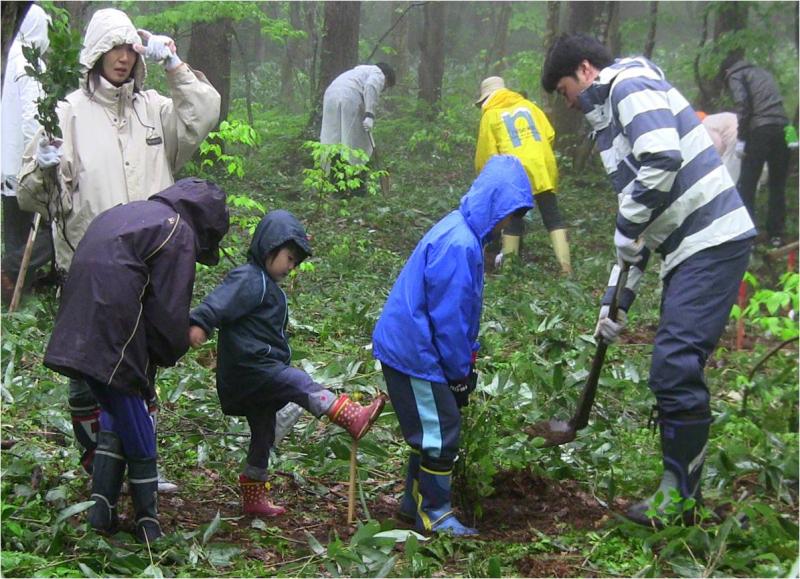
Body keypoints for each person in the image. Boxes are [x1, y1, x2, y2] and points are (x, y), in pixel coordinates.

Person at [541, 34, 755, 527]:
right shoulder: (612, 124)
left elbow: (660, 162)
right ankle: (680, 491)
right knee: (672, 366)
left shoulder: (628, 84)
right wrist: (613, 303)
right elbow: (638, 221)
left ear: (587, 69)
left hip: (712, 240)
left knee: (674, 363)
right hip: (687, 248)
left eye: (566, 89)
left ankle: (680, 498)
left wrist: (626, 227)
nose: (568, 102)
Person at [16, 8, 221, 488]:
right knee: (89, 370)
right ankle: (98, 468)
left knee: (140, 369)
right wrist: (44, 166)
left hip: (151, 265)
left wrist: (174, 65)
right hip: (90, 266)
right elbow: (32, 196)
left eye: (130, 49)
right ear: (95, 53)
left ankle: (140, 465)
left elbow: (204, 112)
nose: (123, 58)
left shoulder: (154, 109)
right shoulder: (67, 113)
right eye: (114, 48)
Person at [43, 178, 230, 542]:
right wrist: (170, 348)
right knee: (137, 420)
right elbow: (168, 310)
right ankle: (148, 525)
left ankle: (102, 514)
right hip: (115, 335)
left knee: (116, 412)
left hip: (77, 325)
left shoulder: (128, 212)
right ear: (205, 228)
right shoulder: (177, 231)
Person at [372, 155, 534, 536]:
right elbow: (450, 320)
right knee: (442, 430)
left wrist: (464, 364)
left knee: (428, 430)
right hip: (416, 352)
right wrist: (459, 375)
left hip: (414, 346)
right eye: (507, 214)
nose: (507, 224)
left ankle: (413, 504)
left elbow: (459, 317)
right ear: (494, 204)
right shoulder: (460, 244)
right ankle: (436, 513)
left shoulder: (464, 234)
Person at [188, 209, 386, 519]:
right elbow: (219, 301)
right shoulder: (249, 278)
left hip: (258, 374)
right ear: (270, 247)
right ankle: (350, 415)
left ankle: (254, 494)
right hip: (251, 369)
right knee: (297, 381)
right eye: (288, 258)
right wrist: (200, 322)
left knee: (263, 433)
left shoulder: (266, 285)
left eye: (295, 262)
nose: (290, 266)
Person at [474, 76, 572, 275]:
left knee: (513, 217)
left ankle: (508, 271)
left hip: (514, 171)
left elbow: (487, 154)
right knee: (552, 215)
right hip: (541, 166)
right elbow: (550, 134)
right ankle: (566, 268)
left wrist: (485, 179)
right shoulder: (530, 106)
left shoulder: (491, 115)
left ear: (487, 99)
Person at [1, 4, 54, 303]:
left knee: (16, 236)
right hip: (26, 165)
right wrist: (39, 159)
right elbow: (32, 119)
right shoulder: (30, 63)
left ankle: (15, 297)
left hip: (7, 165)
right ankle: (9, 271)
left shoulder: (9, 59)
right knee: (54, 231)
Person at [722, 56, 790, 247]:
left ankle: (747, 235)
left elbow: (743, 107)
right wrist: (792, 137)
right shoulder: (764, 73)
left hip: (760, 131)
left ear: (726, 72)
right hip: (782, 128)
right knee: (777, 185)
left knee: (747, 184)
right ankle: (776, 235)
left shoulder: (735, 75)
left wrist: (742, 139)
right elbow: (779, 104)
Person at [320, 63, 396, 162]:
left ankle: (331, 168)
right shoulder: (378, 73)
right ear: (387, 77)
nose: (384, 89)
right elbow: (371, 85)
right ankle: (352, 168)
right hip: (349, 96)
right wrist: (370, 114)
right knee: (353, 138)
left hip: (330, 95)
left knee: (333, 137)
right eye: (386, 85)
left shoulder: (357, 73)